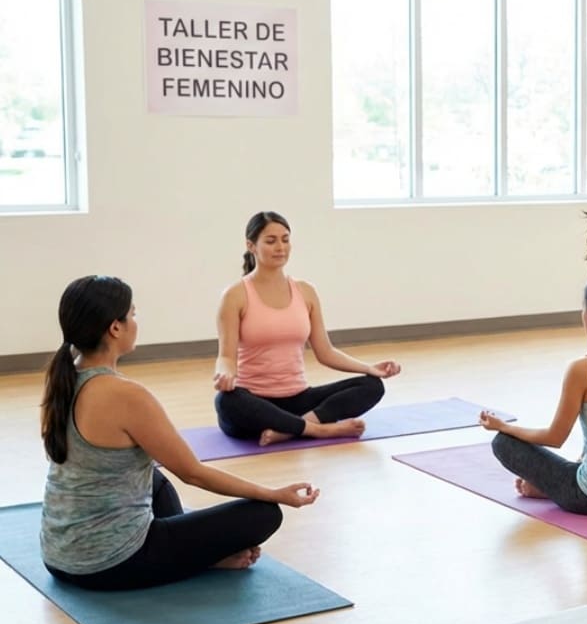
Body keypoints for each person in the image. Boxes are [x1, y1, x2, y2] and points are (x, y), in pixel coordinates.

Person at [40, 275, 320, 591]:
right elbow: (193, 473)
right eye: (132, 314)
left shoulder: (64, 378)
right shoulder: (126, 395)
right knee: (263, 514)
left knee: (155, 480)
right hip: (110, 564)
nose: (135, 321)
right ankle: (198, 558)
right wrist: (274, 493)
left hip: (58, 556)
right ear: (115, 328)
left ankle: (195, 555)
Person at [212, 211, 400, 445]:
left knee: (371, 385)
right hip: (254, 402)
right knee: (226, 401)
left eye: (285, 239)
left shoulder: (305, 291)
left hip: (298, 399)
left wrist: (369, 368)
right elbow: (226, 357)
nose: (280, 247)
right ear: (251, 245)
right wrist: (225, 373)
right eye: (271, 241)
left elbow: (325, 352)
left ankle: (291, 429)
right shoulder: (235, 295)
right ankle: (320, 430)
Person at [480, 279, 587, 516]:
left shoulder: (581, 370)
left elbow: (555, 437)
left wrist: (504, 427)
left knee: (503, 443)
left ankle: (547, 490)